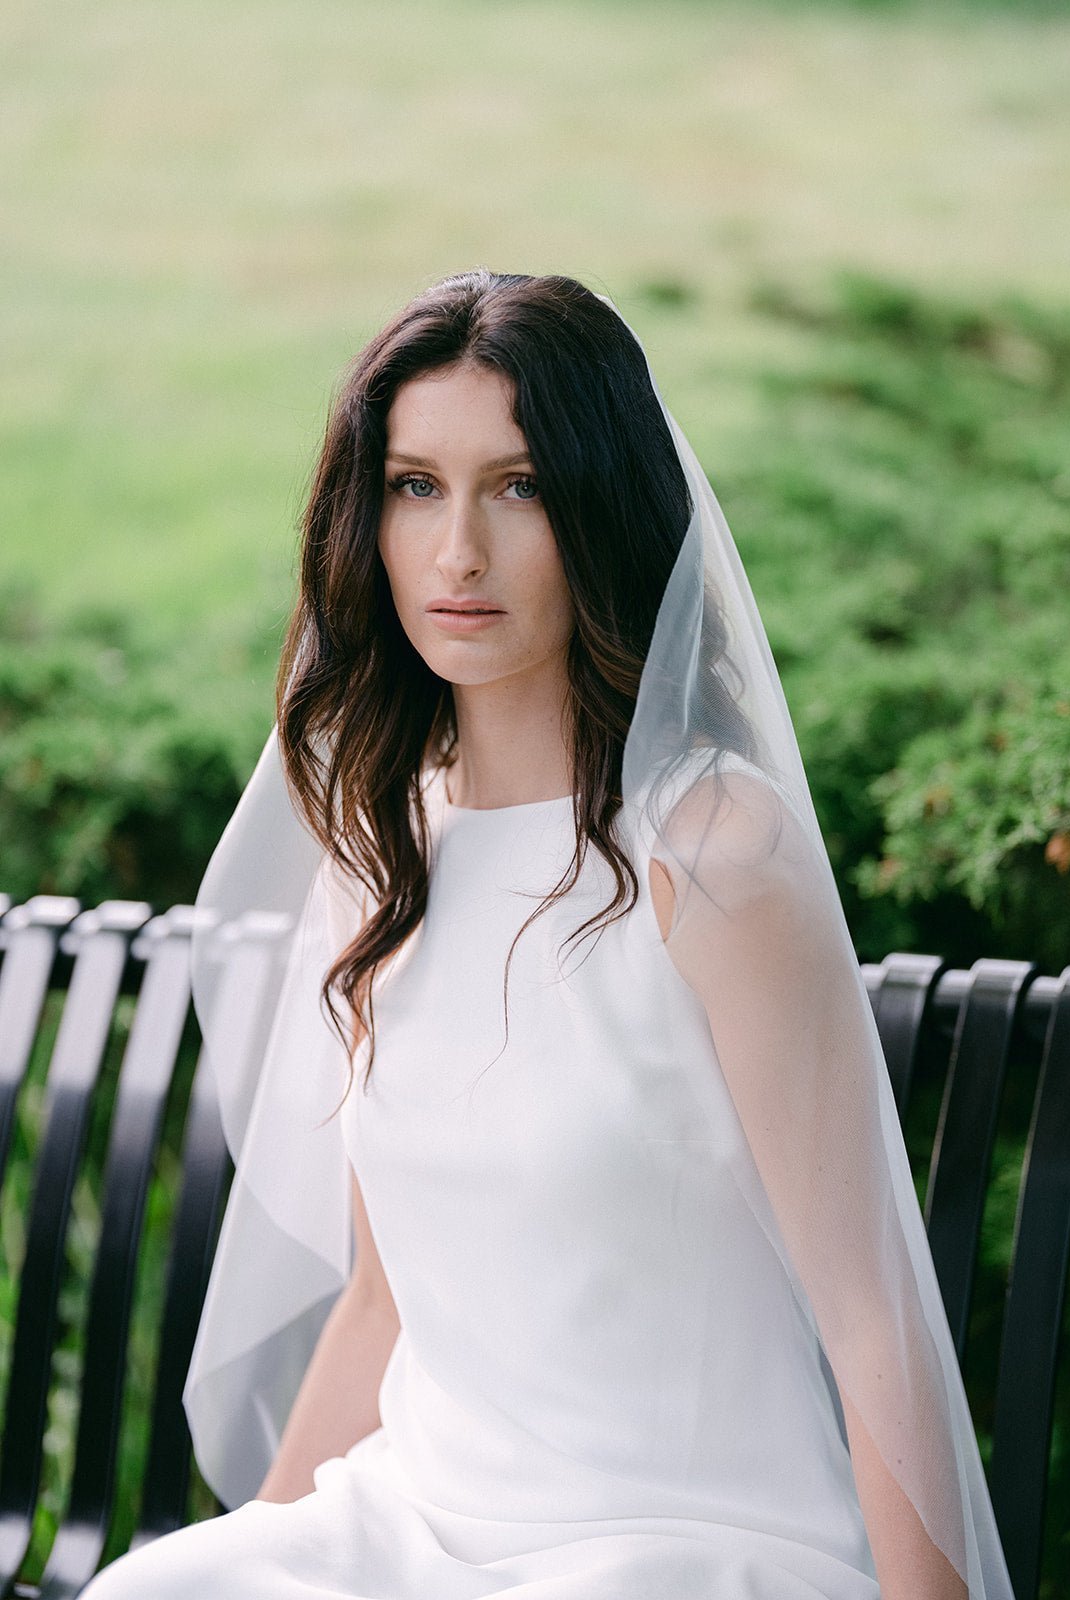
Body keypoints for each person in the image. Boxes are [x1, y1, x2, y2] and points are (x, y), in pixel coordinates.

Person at [81, 270, 1015, 1599]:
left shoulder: (711, 855)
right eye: (414, 487)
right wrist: (261, 1553)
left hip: (677, 1545)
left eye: (517, 487)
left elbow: (870, 1318)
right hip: (419, 1521)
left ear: (600, 508)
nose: (458, 550)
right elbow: (384, 1300)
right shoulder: (386, 847)